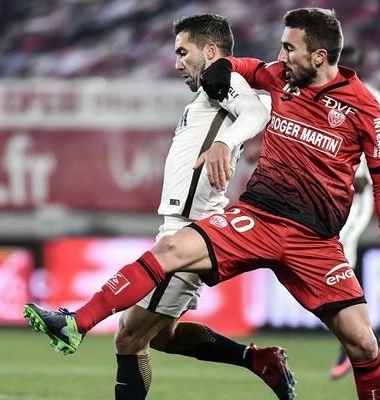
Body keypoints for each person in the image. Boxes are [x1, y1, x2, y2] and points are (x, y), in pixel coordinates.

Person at [24, 8, 380, 400]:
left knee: (363, 345)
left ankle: (259, 360)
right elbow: (241, 65)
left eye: (289, 48)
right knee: (169, 256)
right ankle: (79, 322)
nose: (280, 55)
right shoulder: (279, 77)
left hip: (315, 241)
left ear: (319, 56)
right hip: (257, 217)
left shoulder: (365, 108)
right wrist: (223, 66)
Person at [111, 14, 294, 400]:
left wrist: (226, 143)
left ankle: (257, 360)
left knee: (129, 337)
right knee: (162, 336)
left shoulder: (222, 83)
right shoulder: (207, 95)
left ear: (210, 52)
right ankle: (258, 360)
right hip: (182, 226)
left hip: (189, 231)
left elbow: (259, 110)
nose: (177, 63)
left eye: (183, 52)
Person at [329, 45, 380, 380]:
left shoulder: (377, 103)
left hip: (354, 197)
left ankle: (360, 345)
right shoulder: (322, 98)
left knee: (336, 261)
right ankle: (371, 346)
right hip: (321, 195)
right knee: (332, 266)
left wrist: (366, 174)